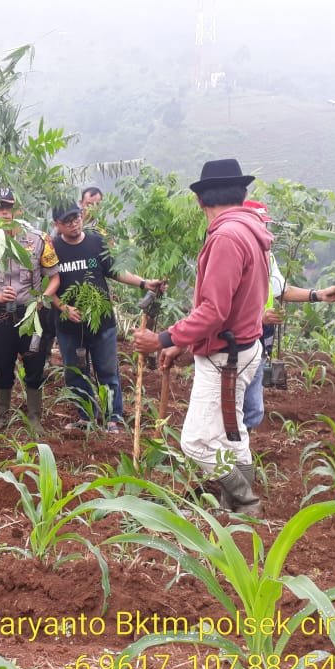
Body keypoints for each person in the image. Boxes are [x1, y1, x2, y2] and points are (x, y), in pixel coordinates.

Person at [134, 159, 271, 517]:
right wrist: (183, 342)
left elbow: (214, 311)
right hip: (244, 346)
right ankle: (235, 507)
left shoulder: (226, 237)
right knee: (232, 433)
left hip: (225, 353)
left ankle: (245, 500)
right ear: (241, 193)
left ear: (200, 200)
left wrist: (163, 339)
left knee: (195, 442)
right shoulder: (251, 229)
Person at [45, 202, 162, 432]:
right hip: (69, 326)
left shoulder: (96, 242)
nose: (74, 224)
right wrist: (64, 307)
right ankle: (85, 417)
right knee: (75, 373)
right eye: (67, 221)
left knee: (107, 371)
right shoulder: (52, 249)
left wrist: (144, 283)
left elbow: (115, 271)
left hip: (102, 323)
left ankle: (112, 418)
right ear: (56, 224)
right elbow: (45, 285)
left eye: (76, 218)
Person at [240, 200, 335, 430]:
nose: (265, 231)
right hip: (239, 340)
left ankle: (240, 449)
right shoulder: (234, 256)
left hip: (260, 338)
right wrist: (258, 318)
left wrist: (319, 295)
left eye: (265, 226)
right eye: (259, 225)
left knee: (252, 409)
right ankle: (232, 451)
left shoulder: (267, 257)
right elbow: (222, 307)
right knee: (242, 406)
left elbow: (282, 290)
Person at [0, 187, 60, 433]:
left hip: (32, 314)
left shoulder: (39, 239)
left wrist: (41, 299)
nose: (5, 212)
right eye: (0, 207)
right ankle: (0, 416)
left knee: (34, 364)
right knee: (2, 364)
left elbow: (54, 277)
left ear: (19, 210)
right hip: (0, 314)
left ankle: (34, 417)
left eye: (10, 208)